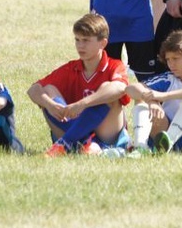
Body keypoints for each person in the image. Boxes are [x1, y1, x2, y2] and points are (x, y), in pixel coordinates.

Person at [27, 13, 130, 157]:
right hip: (73, 127)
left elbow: (120, 89)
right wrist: (50, 105)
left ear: (103, 43)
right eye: (77, 40)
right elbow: (33, 89)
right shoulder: (71, 68)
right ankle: (80, 143)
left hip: (107, 134)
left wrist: (83, 104)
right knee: (47, 92)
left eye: (86, 40)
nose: (80, 46)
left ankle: (66, 143)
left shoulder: (114, 65)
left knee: (108, 91)